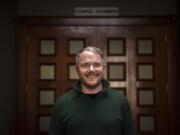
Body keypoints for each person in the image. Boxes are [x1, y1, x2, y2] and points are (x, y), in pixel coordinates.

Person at [49, 46, 136, 135]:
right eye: (85, 65)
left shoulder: (120, 101)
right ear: (77, 69)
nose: (91, 70)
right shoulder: (62, 103)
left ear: (103, 68)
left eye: (96, 65)